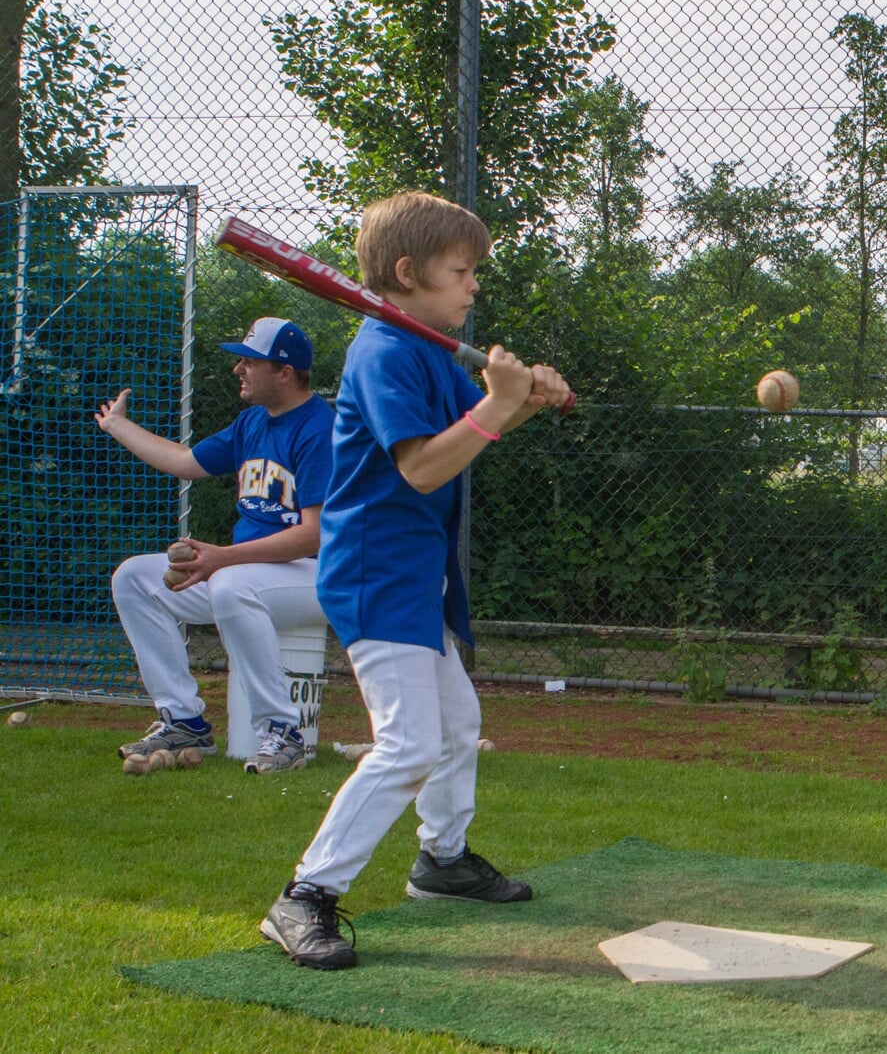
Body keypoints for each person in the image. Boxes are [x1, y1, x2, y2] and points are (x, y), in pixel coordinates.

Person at [260, 191, 572, 971]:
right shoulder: (385, 352)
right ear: (408, 273)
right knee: (408, 744)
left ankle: (443, 861)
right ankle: (304, 895)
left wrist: (524, 402)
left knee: (457, 725)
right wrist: (500, 404)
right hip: (374, 570)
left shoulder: (427, 345)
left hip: (412, 570)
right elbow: (424, 467)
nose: (474, 287)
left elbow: (473, 433)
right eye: (461, 272)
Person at [98, 317, 334, 774]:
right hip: (250, 573)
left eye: (249, 361)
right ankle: (184, 719)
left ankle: (284, 732)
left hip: (319, 575)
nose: (238, 369)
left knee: (230, 586)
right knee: (133, 578)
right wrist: (119, 427)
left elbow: (315, 534)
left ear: (284, 372)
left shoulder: (320, 428)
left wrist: (223, 559)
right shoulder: (252, 423)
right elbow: (186, 462)